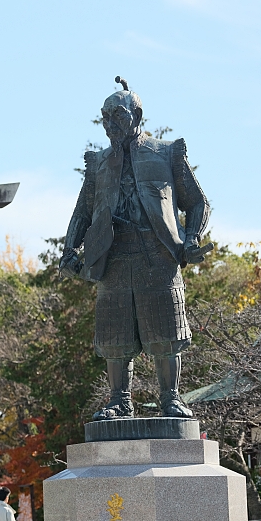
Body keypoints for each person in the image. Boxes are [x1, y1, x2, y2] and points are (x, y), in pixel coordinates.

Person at [59, 77, 211, 421]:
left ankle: (171, 398)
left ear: (137, 115)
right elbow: (83, 212)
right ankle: (118, 400)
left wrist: (191, 239)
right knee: (115, 337)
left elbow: (198, 203)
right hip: (111, 256)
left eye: (119, 116)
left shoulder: (166, 153)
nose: (111, 125)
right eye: (105, 118)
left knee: (166, 334)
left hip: (157, 255)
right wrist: (70, 249)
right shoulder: (98, 163)